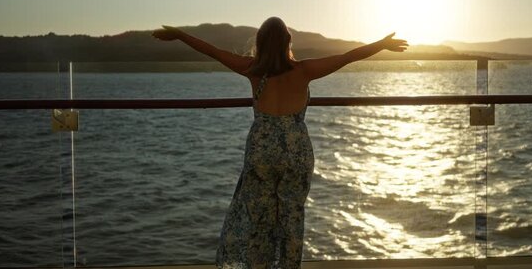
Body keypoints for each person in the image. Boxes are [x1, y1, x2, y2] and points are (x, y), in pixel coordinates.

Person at [152, 17, 407, 268]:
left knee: (257, 217)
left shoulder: (253, 69)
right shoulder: (304, 71)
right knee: (291, 217)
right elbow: (347, 56)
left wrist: (179, 34)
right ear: (288, 41)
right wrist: (381, 44)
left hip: (261, 152)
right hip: (295, 152)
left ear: (260, 43)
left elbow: (213, 51)